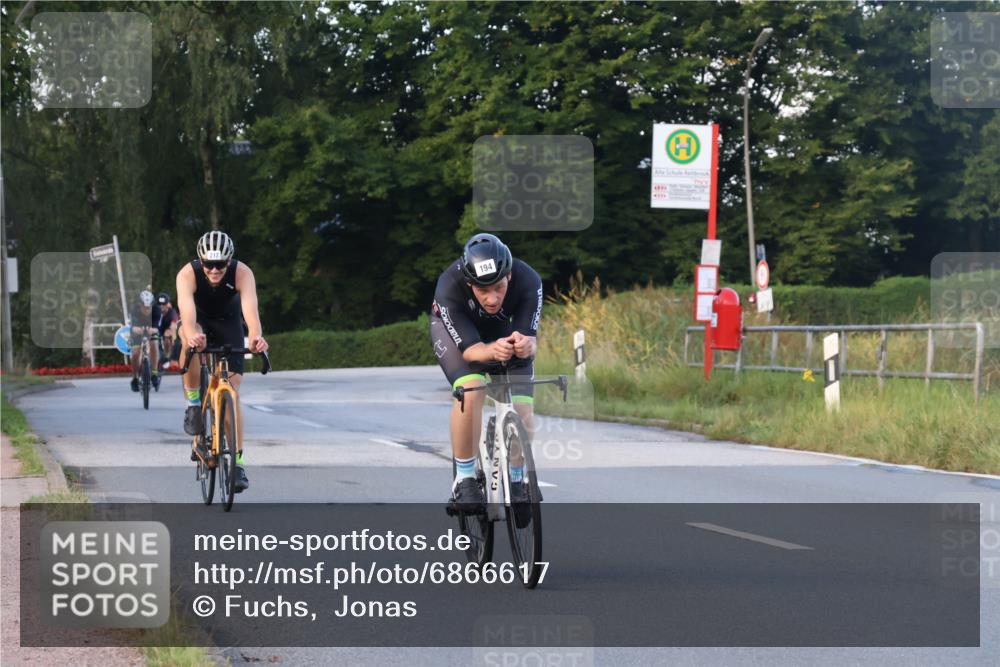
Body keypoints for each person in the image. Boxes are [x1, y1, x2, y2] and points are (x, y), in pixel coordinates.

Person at [429, 233, 543, 512]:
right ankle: (465, 478)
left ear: (509, 276)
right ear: (470, 284)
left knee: (523, 408)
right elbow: (471, 352)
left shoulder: (529, 280)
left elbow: (530, 340)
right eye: (483, 290)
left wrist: (526, 345)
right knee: (472, 389)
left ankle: (516, 478)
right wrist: (492, 351)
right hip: (458, 337)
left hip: (502, 334)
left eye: (499, 287)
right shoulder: (449, 285)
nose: (492, 299)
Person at [175, 231, 268, 493]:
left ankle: (238, 463)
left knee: (232, 393)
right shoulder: (187, 274)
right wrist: (193, 335)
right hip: (198, 320)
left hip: (229, 322)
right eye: (209, 264)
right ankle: (193, 403)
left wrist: (256, 337)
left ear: (229, 261)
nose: (214, 270)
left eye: (220, 264)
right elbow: (187, 312)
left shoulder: (242, 273)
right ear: (201, 261)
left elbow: (251, 311)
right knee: (188, 339)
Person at [128, 290, 160, 391]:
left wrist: (154, 330)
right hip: (138, 329)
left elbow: (157, 326)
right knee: (135, 354)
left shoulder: (156, 310)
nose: (147, 310)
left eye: (149, 307)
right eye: (144, 307)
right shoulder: (134, 309)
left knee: (154, 343)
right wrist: (135, 329)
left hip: (151, 328)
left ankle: (154, 373)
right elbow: (132, 326)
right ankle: (135, 378)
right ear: (140, 305)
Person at [155, 292, 179, 370]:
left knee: (169, 333)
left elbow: (173, 325)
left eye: (163, 304)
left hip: (166, 331)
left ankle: (167, 355)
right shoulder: (154, 311)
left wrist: (171, 334)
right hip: (155, 331)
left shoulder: (172, 312)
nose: (161, 306)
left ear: (168, 304)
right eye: (159, 304)